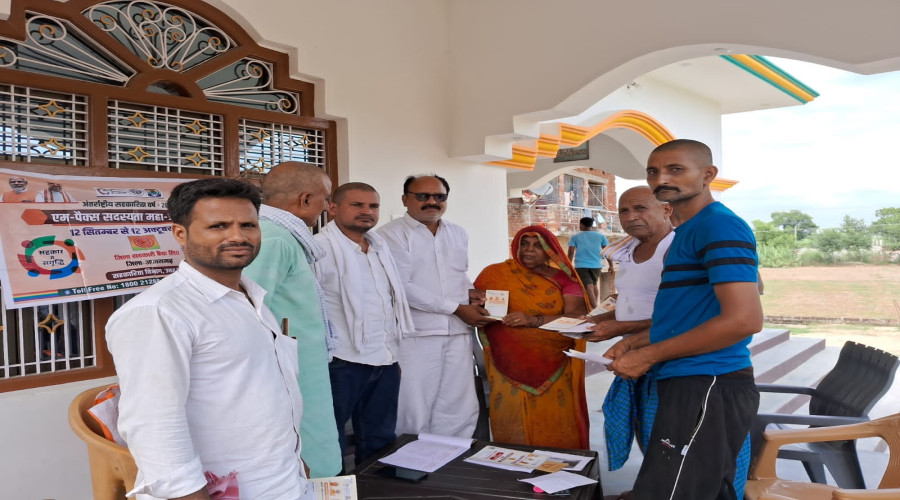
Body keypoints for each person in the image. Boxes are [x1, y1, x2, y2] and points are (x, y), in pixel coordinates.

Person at [106, 178, 309, 500]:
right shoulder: (159, 312)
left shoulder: (251, 299)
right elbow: (154, 424)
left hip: (280, 481)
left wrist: (294, 460)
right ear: (180, 233)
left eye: (248, 225)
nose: (238, 236)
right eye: (218, 226)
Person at [605, 139, 762, 500]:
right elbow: (688, 314)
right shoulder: (687, 232)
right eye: (653, 171)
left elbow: (744, 320)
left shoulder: (719, 226)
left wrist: (647, 355)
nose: (662, 178)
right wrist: (635, 342)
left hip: (708, 382)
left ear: (707, 175)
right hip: (689, 380)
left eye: (675, 169)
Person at [243, 161, 342, 478]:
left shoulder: (282, 235)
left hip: (304, 364)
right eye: (325, 198)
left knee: (316, 448)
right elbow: (250, 312)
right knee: (308, 455)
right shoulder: (274, 239)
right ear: (306, 199)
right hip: (289, 369)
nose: (326, 207)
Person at [377, 174, 490, 438]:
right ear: (405, 199)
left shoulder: (458, 233)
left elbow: (457, 275)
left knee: (459, 405)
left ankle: (451, 458)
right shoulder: (388, 235)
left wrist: (471, 293)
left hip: (458, 332)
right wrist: (457, 308)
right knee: (413, 406)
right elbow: (401, 286)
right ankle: (411, 458)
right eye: (423, 196)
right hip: (417, 335)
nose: (432, 201)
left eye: (439, 196)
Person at [313, 182, 414, 468]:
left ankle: (374, 489)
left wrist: (392, 354)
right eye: (357, 205)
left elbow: (387, 303)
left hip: (384, 358)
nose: (367, 211)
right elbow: (309, 306)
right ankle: (335, 488)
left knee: (380, 438)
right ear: (333, 208)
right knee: (329, 439)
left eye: (373, 206)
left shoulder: (380, 247)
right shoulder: (319, 248)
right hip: (340, 361)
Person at [473, 225, 590, 449]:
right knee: (512, 418)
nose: (529, 249)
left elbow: (577, 317)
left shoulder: (565, 280)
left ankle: (559, 465)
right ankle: (513, 464)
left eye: (538, 245)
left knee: (555, 419)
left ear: (550, 251)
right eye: (524, 244)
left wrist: (533, 320)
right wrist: (477, 307)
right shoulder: (496, 274)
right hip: (506, 362)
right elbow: (475, 305)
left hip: (555, 361)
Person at [567, 216, 613, 308]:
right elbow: (607, 252)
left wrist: (568, 265)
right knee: (594, 285)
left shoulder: (575, 237)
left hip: (581, 266)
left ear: (582, 225)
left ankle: (595, 309)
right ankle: (595, 306)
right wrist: (610, 265)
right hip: (596, 266)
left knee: (589, 286)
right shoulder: (601, 236)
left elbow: (571, 253)